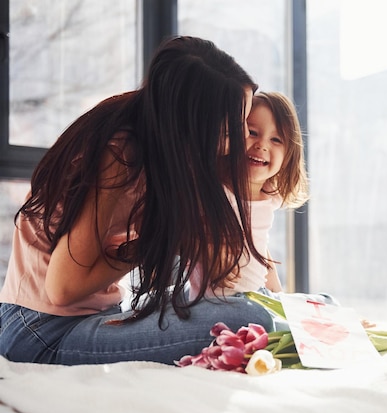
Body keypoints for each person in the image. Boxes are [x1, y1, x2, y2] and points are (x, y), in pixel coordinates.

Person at [0, 36, 274, 366]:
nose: (244, 137)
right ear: (195, 121)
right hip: (42, 331)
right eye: (235, 126)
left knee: (250, 303)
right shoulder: (120, 152)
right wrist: (156, 242)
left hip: (82, 316)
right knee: (250, 317)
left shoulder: (160, 144)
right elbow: (62, 288)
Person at [188, 91, 309, 300]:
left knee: (323, 301)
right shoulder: (213, 191)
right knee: (254, 313)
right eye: (252, 132)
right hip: (216, 303)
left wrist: (281, 300)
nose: (262, 145)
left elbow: (261, 255)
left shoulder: (269, 199)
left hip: (254, 298)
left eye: (276, 139)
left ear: (289, 156)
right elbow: (183, 230)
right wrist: (208, 247)